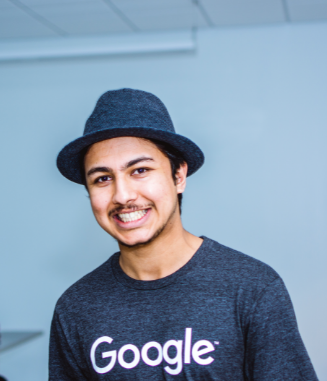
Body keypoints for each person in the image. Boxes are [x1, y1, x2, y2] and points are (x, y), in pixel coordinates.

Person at [50, 88, 318, 380]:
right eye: (103, 179)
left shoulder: (251, 287)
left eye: (140, 170)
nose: (123, 195)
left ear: (178, 176)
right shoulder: (76, 307)